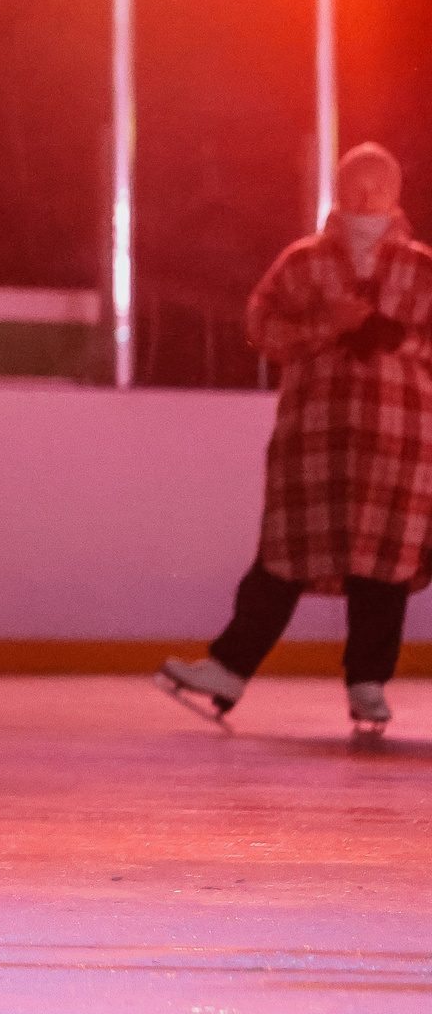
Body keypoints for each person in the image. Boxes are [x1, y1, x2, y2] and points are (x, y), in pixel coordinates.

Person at [159, 143, 431, 739]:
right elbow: (261, 327)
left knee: (382, 561)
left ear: (395, 193)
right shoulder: (303, 262)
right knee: (284, 555)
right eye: (355, 184)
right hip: (316, 436)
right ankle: (229, 668)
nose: (365, 196)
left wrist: (396, 338)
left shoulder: (420, 267)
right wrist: (323, 328)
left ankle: (367, 682)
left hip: (396, 437)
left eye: (376, 184)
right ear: (338, 190)